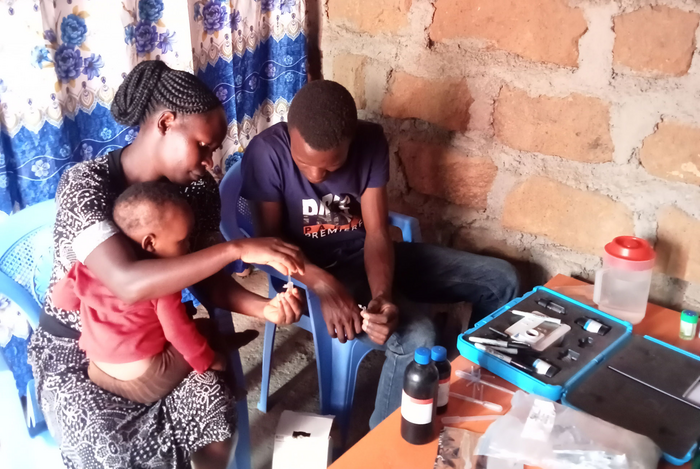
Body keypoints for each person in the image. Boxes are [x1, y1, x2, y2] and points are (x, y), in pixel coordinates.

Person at [28, 60, 305, 469]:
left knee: (213, 401)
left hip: (161, 339)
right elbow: (126, 282)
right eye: (205, 146)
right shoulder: (86, 185)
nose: (211, 161)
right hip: (80, 352)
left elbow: (207, 281)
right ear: (166, 123)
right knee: (104, 443)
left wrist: (264, 310)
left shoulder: (198, 191)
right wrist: (237, 249)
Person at [240, 80, 520, 429]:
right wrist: (325, 285)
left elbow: (375, 233)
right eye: (304, 163)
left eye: (330, 167)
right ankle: (384, 448)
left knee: (501, 280)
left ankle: (466, 386)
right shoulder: (267, 153)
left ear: (351, 141)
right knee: (418, 337)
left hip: (368, 257)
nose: (316, 174)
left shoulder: (370, 141)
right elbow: (270, 244)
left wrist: (383, 296)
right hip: (308, 272)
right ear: (291, 137)